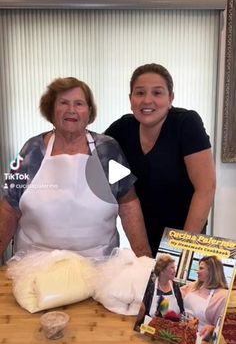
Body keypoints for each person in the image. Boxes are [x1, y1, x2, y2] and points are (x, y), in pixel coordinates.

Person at [0, 77, 152, 259]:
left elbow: (128, 204)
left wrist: (145, 260)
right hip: (33, 266)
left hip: (99, 266)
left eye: (79, 104)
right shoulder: (31, 149)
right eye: (63, 103)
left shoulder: (108, 149)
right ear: (51, 109)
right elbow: (9, 208)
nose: (71, 110)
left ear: (89, 112)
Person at [105, 63, 216, 257]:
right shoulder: (123, 128)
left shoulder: (186, 123)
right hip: (143, 237)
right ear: (130, 99)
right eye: (139, 93)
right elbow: (89, 149)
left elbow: (206, 188)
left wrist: (181, 250)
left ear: (170, 98)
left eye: (157, 93)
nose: (147, 100)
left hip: (187, 233)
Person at [181, 256, 228, 340]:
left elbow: (223, 329)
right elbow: (178, 296)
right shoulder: (193, 285)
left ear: (212, 271)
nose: (197, 272)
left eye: (201, 268)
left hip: (201, 339)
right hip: (181, 331)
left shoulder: (223, 296)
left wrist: (212, 329)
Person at [135, 254, 184, 328]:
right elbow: (141, 312)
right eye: (172, 268)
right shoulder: (150, 287)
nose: (175, 271)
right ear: (162, 271)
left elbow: (181, 311)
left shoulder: (176, 287)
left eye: (175, 267)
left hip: (171, 332)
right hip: (150, 329)